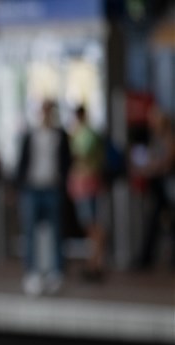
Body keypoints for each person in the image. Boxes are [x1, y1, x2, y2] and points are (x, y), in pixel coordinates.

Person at [15, 100, 72, 296]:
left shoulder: (61, 135)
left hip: (53, 187)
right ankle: (32, 272)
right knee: (30, 232)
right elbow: (22, 161)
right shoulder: (30, 135)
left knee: (56, 232)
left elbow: (67, 162)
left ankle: (56, 272)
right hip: (32, 188)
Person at [132, 105, 175, 270]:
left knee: (163, 222)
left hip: (167, 186)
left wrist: (151, 167)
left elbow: (167, 162)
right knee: (158, 222)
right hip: (157, 186)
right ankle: (146, 257)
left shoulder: (169, 138)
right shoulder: (155, 138)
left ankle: (146, 258)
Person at [67, 105, 107, 281]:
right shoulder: (89, 133)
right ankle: (95, 262)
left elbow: (78, 157)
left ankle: (95, 263)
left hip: (86, 184)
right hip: (87, 184)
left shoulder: (84, 135)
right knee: (91, 225)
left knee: (92, 225)